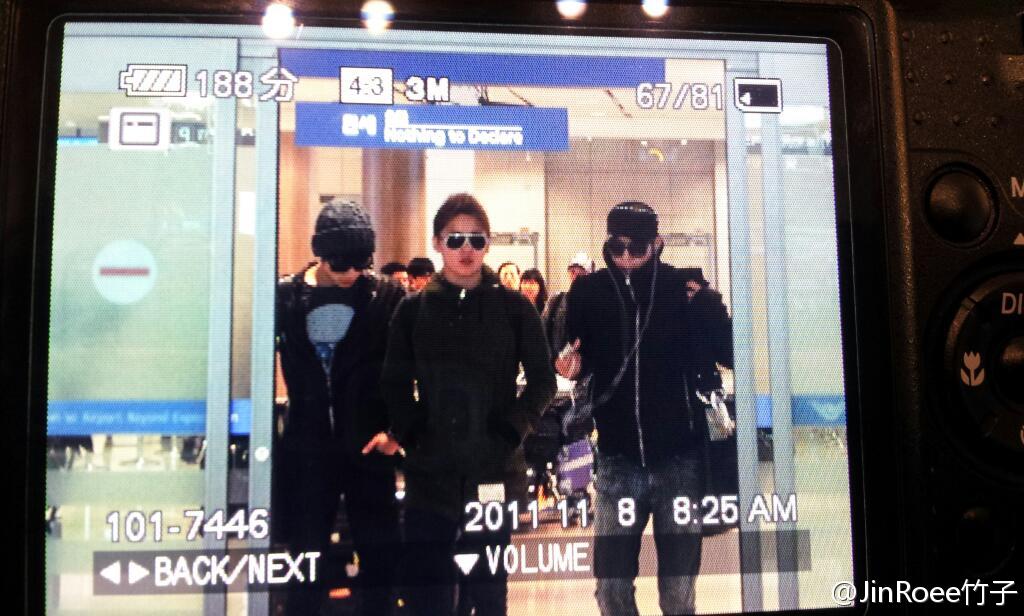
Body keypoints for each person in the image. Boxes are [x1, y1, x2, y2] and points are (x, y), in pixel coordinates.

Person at [364, 193, 556, 616]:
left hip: (493, 471)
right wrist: (413, 433)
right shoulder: (413, 311)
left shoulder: (514, 309)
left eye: (476, 239)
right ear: (437, 243)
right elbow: (394, 383)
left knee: (488, 593)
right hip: (430, 476)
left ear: (488, 243)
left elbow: (543, 381)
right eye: (455, 239)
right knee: (428, 593)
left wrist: (510, 431)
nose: (466, 249)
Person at [555, 201, 720, 616]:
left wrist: (708, 306)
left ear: (657, 243)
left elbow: (728, 348)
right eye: (617, 247)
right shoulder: (588, 293)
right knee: (611, 589)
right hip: (617, 460)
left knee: (678, 595)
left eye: (637, 247)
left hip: (678, 460)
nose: (626, 256)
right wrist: (573, 364)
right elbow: (579, 354)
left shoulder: (681, 289)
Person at [276, 199, 403, 615]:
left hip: (369, 448)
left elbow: (410, 369)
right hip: (309, 450)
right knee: (305, 566)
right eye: (341, 263)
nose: (351, 273)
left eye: (361, 263)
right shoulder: (287, 297)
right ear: (320, 253)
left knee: (380, 568)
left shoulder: (385, 296)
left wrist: (396, 433)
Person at [541, 252, 592, 355]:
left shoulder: (596, 303)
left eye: (581, 273)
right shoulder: (556, 300)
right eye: (573, 272)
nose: (576, 277)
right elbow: (542, 330)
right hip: (555, 360)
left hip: (587, 360)